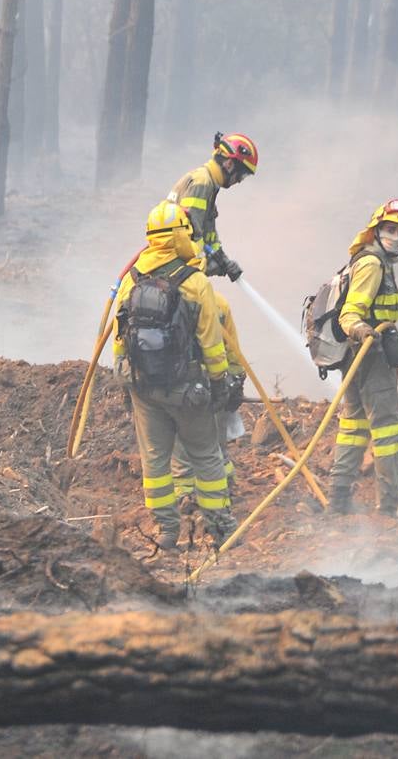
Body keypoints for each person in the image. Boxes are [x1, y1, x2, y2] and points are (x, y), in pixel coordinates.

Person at [113, 201, 242, 550]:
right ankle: (221, 529)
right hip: (187, 389)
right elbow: (212, 344)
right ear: (180, 237)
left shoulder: (131, 279)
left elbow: (120, 338)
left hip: (143, 387)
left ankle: (167, 531)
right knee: (206, 455)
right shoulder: (195, 282)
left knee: (155, 461)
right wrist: (220, 384)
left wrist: (125, 381)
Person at [328, 200, 398, 515]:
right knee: (388, 429)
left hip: (358, 355)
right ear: (376, 230)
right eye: (390, 229)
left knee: (354, 426)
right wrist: (363, 330)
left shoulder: (375, 260)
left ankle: (338, 500)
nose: (395, 236)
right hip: (371, 355)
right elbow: (350, 313)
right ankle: (389, 507)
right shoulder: (372, 264)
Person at [167, 132, 258, 281]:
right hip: (172, 265)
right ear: (229, 164)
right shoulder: (202, 183)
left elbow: (208, 236)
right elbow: (190, 236)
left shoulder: (209, 184)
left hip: (178, 265)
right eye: (242, 175)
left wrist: (224, 261)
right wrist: (208, 265)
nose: (239, 181)